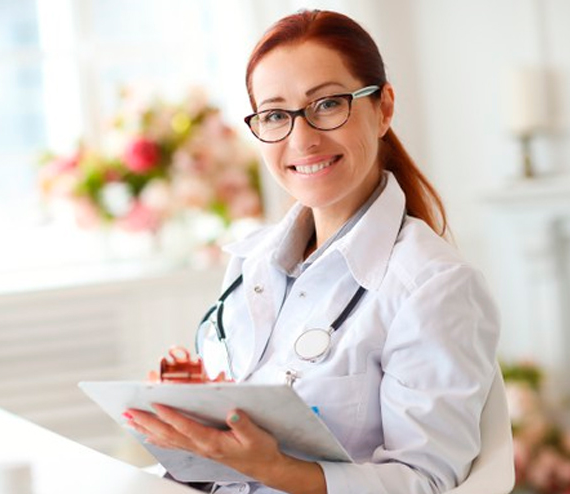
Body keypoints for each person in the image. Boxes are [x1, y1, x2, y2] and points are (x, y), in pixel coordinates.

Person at [125, 9, 502, 494]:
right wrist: (191, 419)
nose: (302, 139)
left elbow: (427, 481)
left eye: (327, 105)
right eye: (277, 115)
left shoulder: (434, 285)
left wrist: (276, 468)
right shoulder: (251, 262)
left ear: (383, 108)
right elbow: (233, 440)